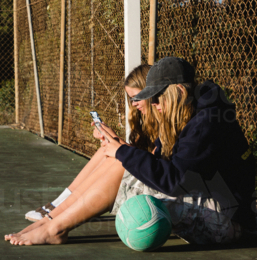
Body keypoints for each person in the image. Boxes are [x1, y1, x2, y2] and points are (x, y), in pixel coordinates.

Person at [5, 56, 255, 246]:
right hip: (207, 204)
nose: (154, 105)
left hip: (226, 221)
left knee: (121, 160)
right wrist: (120, 149)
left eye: (157, 99)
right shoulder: (188, 114)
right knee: (118, 157)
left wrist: (123, 153)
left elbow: (173, 180)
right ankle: (52, 220)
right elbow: (169, 167)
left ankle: (55, 228)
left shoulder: (206, 122)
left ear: (178, 92)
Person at [21, 64, 156, 222]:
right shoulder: (148, 120)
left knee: (116, 156)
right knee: (106, 150)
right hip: (145, 176)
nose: (134, 104)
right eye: (131, 99)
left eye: (138, 98)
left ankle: (59, 213)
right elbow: (139, 156)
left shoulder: (165, 122)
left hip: (152, 185)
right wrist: (112, 141)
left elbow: (150, 164)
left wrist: (117, 143)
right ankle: (58, 203)